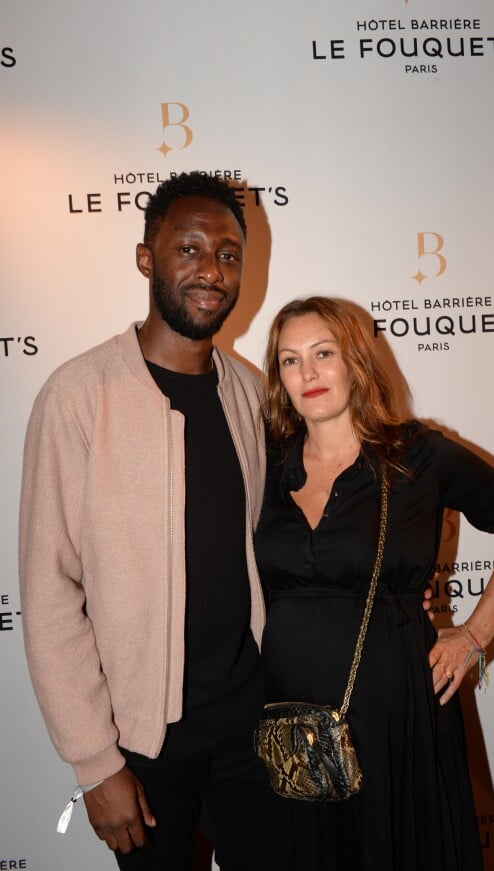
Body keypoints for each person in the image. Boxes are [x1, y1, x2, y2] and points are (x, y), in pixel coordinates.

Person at [18, 171, 291, 871]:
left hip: (249, 728)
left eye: (228, 254)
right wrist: (94, 763)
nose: (211, 269)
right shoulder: (79, 396)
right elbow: (49, 593)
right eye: (190, 248)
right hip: (140, 745)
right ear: (147, 258)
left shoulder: (251, 395)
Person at [254, 296, 494, 870]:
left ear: (357, 361)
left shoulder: (416, 456)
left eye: (323, 353)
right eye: (290, 361)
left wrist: (475, 634)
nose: (308, 373)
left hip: (393, 713)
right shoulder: (265, 461)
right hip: (289, 719)